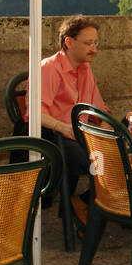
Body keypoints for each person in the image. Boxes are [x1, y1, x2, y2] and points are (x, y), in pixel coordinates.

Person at [41, 15, 109, 233]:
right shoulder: (49, 68)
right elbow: (35, 113)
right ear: (69, 43)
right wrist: (64, 128)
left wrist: (110, 128)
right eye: (88, 43)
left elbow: (98, 108)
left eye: (95, 43)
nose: (94, 49)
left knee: (127, 153)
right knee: (103, 164)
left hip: (80, 133)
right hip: (56, 136)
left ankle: (81, 202)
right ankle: (84, 207)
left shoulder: (85, 68)